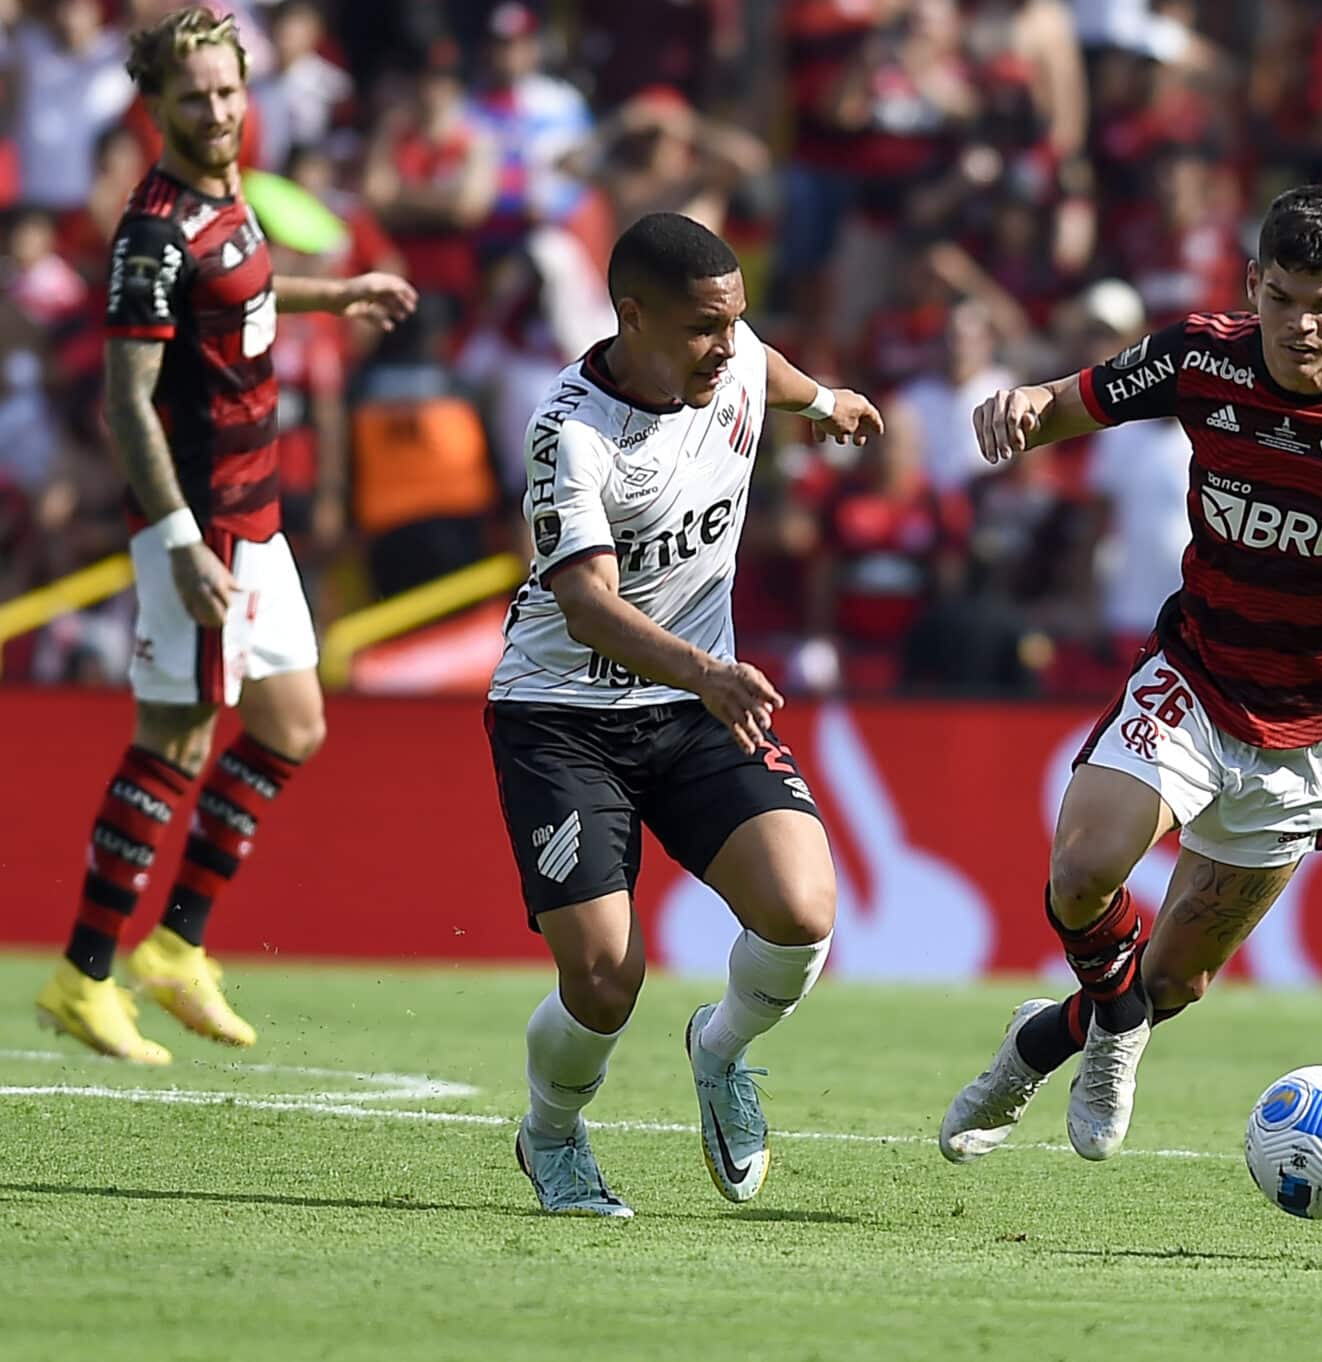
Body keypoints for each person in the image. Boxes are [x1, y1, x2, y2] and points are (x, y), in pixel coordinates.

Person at [939, 185, 1322, 1165]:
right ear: (1252, 286)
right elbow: (1060, 407)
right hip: (1197, 673)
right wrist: (1018, 408)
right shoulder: (1198, 357)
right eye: (1283, 299)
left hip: (1315, 719)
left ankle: (1049, 1042)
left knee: (1172, 983)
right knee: (1084, 868)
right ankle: (1111, 1029)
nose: (1302, 325)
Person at [34, 7, 416, 1065]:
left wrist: (333, 294)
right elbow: (126, 400)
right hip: (198, 526)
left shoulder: (231, 195)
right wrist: (174, 537)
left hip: (260, 517)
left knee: (292, 724)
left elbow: (238, 292)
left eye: (228, 91)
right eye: (195, 95)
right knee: (177, 738)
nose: (216, 110)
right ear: (156, 106)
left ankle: (175, 949)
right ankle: (83, 973)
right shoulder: (151, 229)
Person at [484, 212, 883, 1216]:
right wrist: (707, 671)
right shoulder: (571, 431)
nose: (726, 345)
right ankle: (553, 1134)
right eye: (704, 327)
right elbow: (585, 605)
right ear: (633, 315)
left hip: (693, 700)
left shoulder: (731, 354)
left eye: (734, 322)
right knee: (606, 980)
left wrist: (825, 399)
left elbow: (766, 368)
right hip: (562, 715)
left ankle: (720, 1050)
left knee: (800, 913)